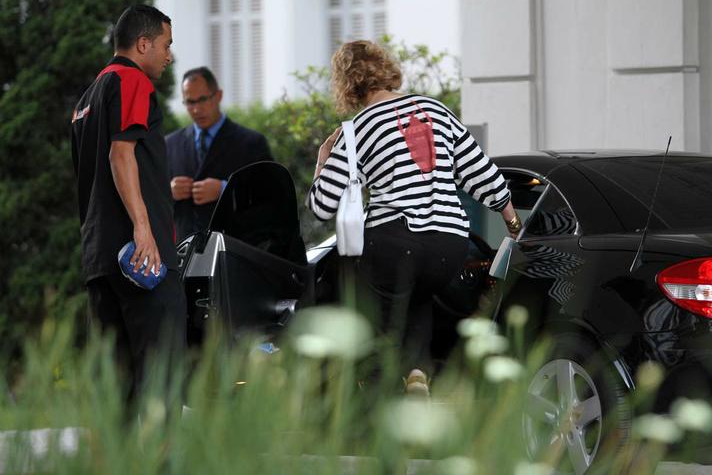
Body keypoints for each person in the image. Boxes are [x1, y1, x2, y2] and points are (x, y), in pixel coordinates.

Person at [308, 40, 521, 395]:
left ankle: (383, 396)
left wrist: (322, 159)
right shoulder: (436, 111)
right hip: (449, 246)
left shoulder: (356, 130)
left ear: (346, 84)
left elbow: (321, 206)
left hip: (394, 241)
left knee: (372, 308)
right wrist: (513, 225)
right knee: (417, 296)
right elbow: (483, 175)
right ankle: (418, 373)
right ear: (385, 67)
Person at [70, 5, 186, 412]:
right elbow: (122, 156)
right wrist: (143, 228)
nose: (169, 55)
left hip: (100, 260)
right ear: (143, 44)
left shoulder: (87, 98)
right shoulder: (132, 81)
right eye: (166, 45)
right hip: (142, 261)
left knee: (116, 394)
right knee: (162, 383)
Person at [165, 67, 272, 240]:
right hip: (184, 257)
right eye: (190, 102)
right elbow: (148, 201)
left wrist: (224, 189)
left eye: (202, 100)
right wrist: (167, 192)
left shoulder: (251, 143)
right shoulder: (170, 145)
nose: (197, 109)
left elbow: (269, 195)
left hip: (233, 254)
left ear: (219, 96)